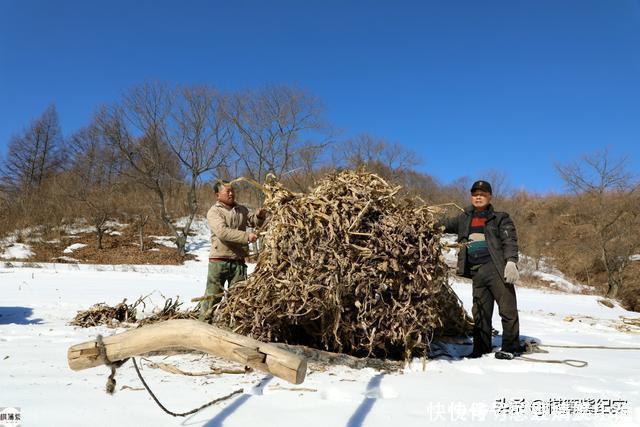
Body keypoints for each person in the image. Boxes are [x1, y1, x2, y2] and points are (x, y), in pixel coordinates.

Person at [440, 180, 522, 359]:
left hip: (497, 269)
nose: (478, 197)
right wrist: (424, 222)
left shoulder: (500, 218)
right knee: (480, 312)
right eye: (475, 194)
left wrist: (511, 261)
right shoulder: (464, 218)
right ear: (471, 197)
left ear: (490, 197)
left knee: (507, 309)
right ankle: (481, 348)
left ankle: (511, 347)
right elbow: (443, 225)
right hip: (477, 272)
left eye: (482, 194)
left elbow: (510, 240)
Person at [198, 180, 266, 321]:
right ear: (217, 195)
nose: (231, 193)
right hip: (219, 260)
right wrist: (246, 236)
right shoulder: (214, 211)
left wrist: (259, 216)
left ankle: (233, 327)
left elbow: (252, 221)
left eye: (232, 190)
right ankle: (203, 324)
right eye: (227, 191)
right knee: (212, 297)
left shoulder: (241, 209)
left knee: (238, 299)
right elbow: (222, 232)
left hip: (238, 261)